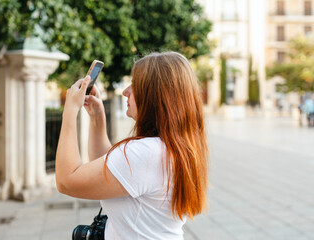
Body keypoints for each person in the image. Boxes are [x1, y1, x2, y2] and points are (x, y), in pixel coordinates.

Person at [55, 51, 209, 239]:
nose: (125, 91)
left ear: (155, 95)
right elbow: (110, 173)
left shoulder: (147, 153)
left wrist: (70, 111)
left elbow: (66, 181)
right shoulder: (171, 147)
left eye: (135, 85)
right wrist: (97, 119)